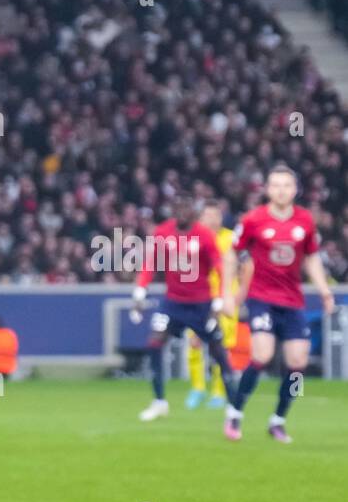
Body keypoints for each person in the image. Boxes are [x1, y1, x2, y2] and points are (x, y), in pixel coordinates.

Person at [222, 165, 337, 443]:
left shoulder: (306, 221)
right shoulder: (253, 219)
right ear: (267, 189)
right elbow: (231, 255)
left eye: (286, 185)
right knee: (261, 354)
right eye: (275, 185)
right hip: (262, 298)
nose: (281, 190)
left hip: (292, 300)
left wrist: (323, 290)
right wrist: (227, 292)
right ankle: (236, 411)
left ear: (294, 189)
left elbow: (311, 257)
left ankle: (278, 420)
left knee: (298, 363)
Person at [133, 195, 240, 422]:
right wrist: (141, 289)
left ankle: (232, 404)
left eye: (187, 208)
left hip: (201, 305)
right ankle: (160, 401)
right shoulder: (163, 232)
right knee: (154, 344)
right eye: (178, 208)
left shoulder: (204, 235)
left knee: (218, 351)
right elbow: (150, 263)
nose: (182, 213)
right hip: (172, 303)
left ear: (193, 212)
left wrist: (220, 299)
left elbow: (219, 267)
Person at [185, 201, 241, 409]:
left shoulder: (232, 238)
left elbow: (244, 265)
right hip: (200, 298)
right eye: (208, 215)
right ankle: (197, 388)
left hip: (225, 298)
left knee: (222, 347)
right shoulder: (192, 238)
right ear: (200, 218)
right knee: (194, 343)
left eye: (216, 215)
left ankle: (218, 392)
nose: (212, 219)